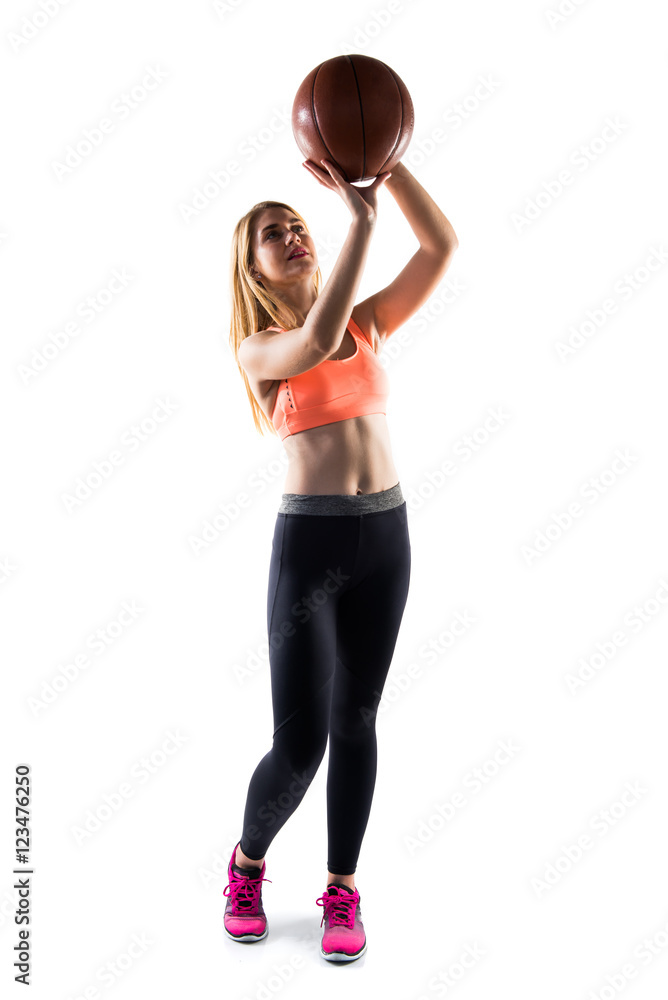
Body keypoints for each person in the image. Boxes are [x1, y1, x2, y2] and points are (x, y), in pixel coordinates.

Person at [223, 156, 458, 962]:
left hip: (387, 537)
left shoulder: (364, 321)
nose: (290, 236)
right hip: (311, 545)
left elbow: (440, 248)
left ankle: (342, 892)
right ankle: (248, 864)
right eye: (270, 234)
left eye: (296, 226)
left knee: (357, 721)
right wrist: (356, 221)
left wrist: (389, 170)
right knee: (299, 745)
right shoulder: (262, 349)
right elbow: (314, 338)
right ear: (250, 268)